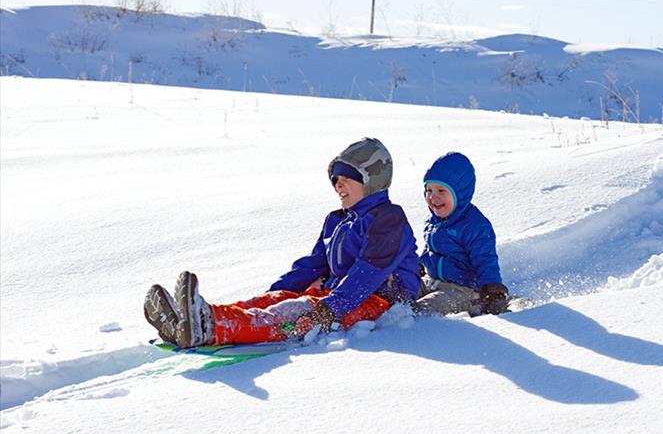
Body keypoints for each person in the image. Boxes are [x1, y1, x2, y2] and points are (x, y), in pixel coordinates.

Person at [143, 137, 421, 348]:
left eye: (347, 178)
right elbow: (313, 266)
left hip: (380, 302)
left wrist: (331, 307)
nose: (338, 185)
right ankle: (187, 319)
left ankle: (210, 326)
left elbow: (368, 272)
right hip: (340, 297)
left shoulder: (388, 219)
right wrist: (273, 295)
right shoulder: (338, 220)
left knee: (296, 312)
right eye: (335, 179)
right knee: (280, 302)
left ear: (373, 180)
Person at [414, 151, 509, 316]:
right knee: (399, 291)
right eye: (428, 190)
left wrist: (494, 290)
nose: (432, 197)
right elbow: (431, 249)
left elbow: (486, 260)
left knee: (421, 311)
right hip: (432, 282)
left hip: (462, 291)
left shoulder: (474, 225)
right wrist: (418, 264)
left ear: (460, 193)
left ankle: (402, 332)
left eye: (441, 191)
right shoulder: (433, 221)